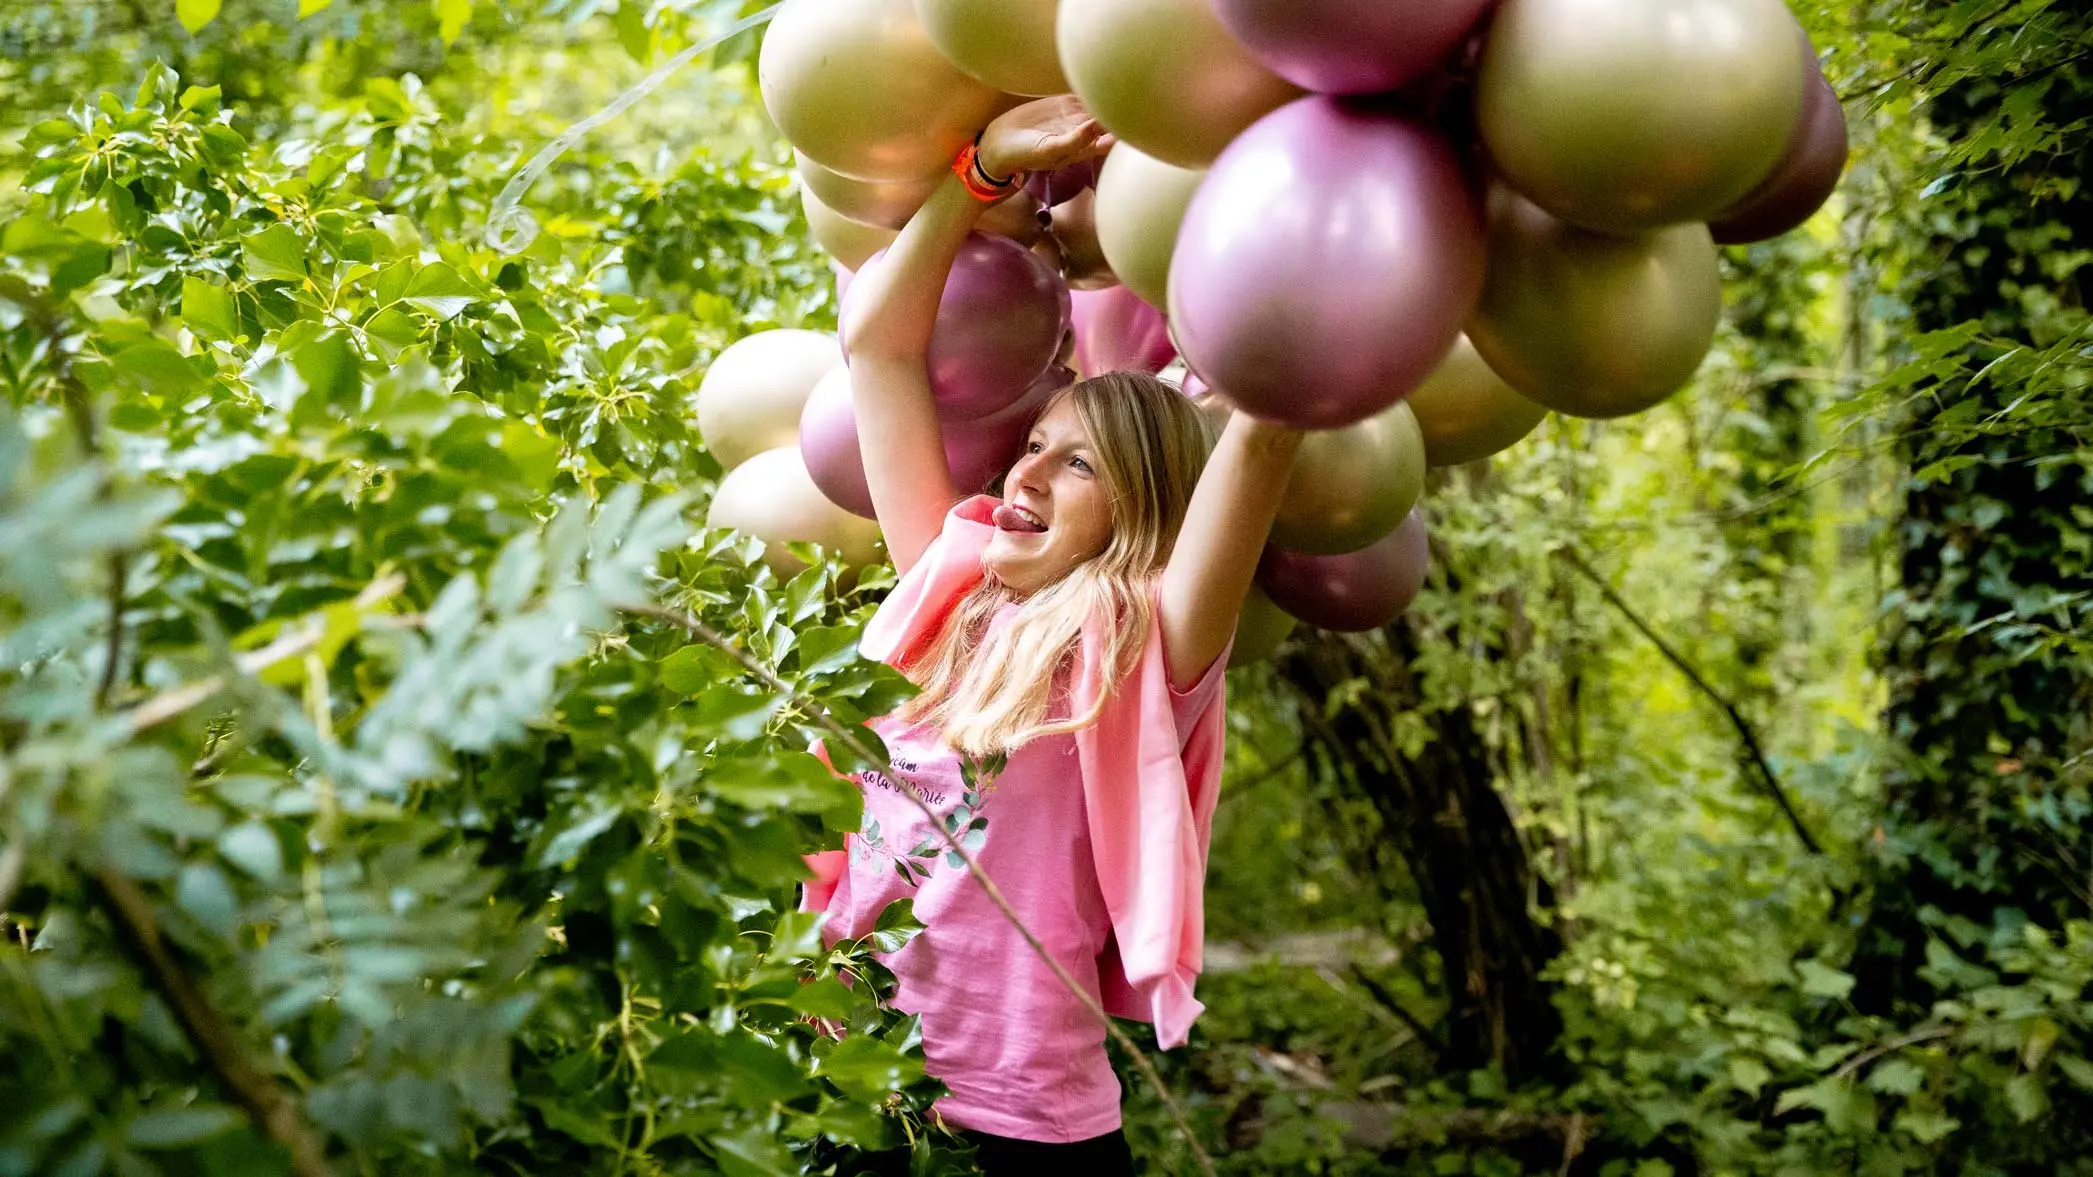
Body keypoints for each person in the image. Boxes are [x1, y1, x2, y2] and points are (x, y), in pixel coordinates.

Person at [806, 95, 1303, 1176]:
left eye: (1075, 462)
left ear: (1137, 508)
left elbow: (1261, 439)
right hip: (846, 1081)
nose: (1022, 473)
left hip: (1025, 1130)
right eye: (1032, 442)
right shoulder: (943, 591)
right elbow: (878, 349)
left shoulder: (1145, 650)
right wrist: (978, 172)